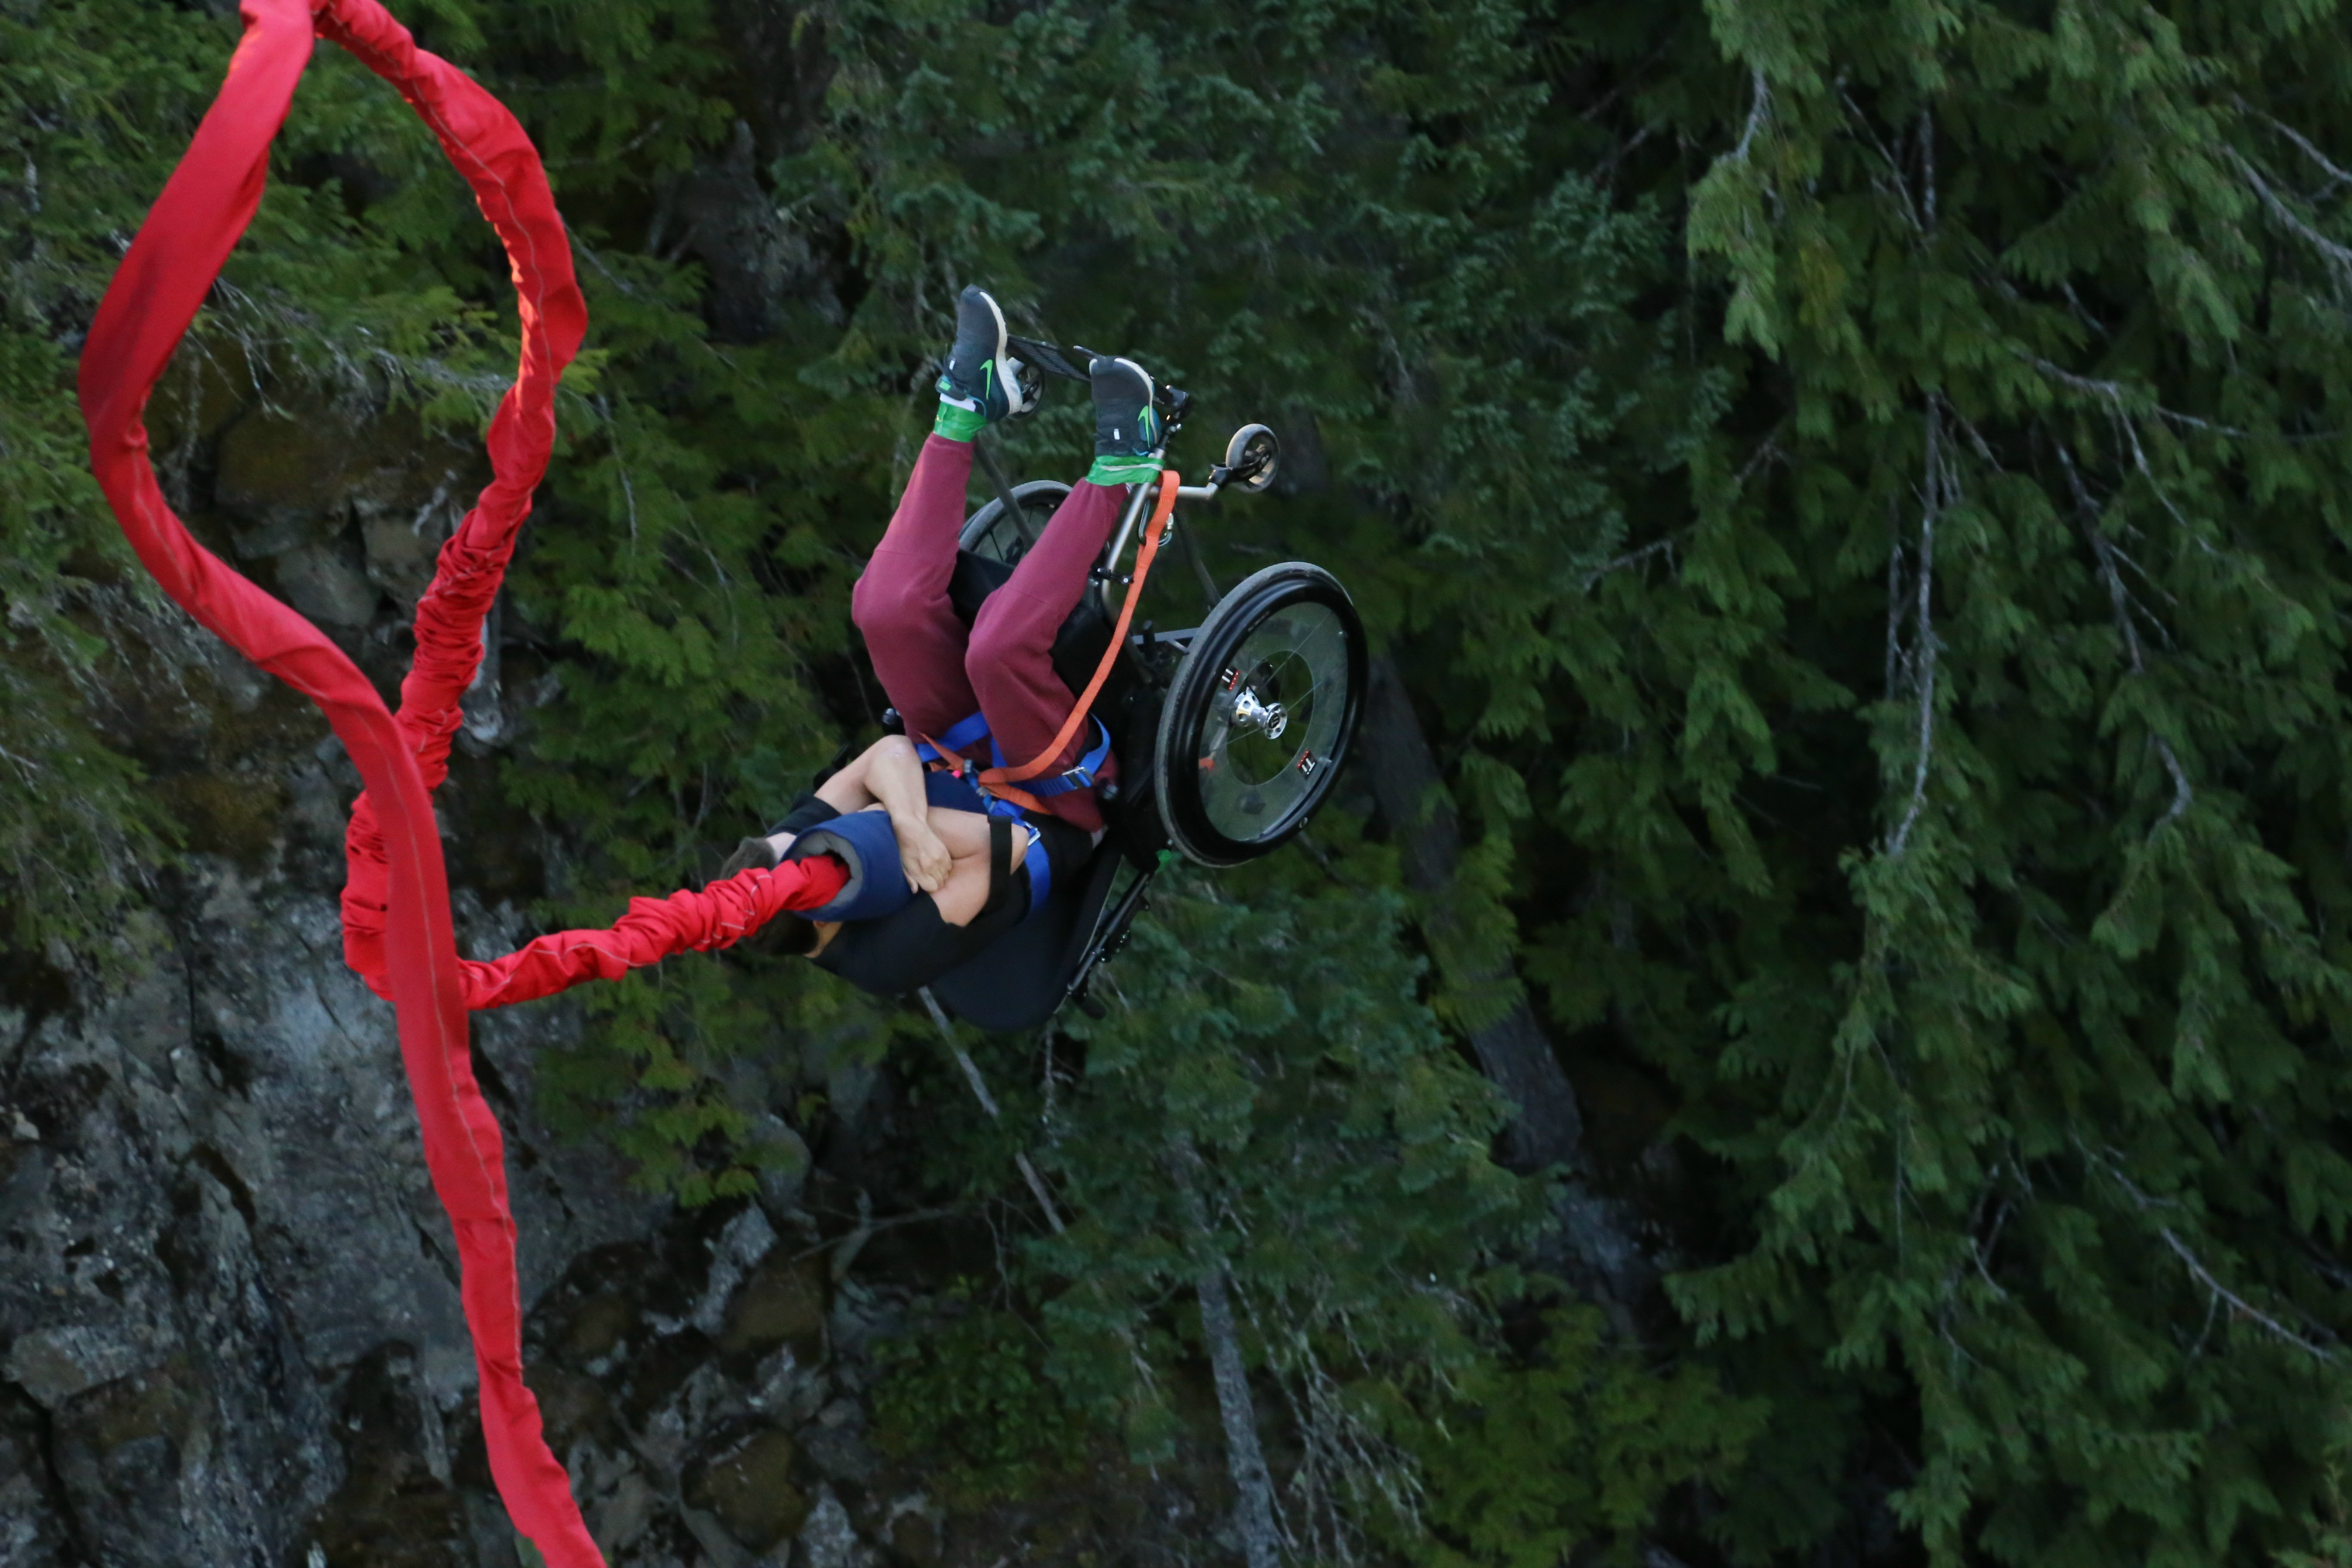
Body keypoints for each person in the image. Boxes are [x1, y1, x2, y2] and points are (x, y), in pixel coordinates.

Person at [723, 286, 1164, 995]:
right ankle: (1125, 466)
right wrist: (914, 834)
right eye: (797, 852)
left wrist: (903, 818)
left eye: (789, 844)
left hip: (954, 756)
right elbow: (1012, 847)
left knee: (884, 608)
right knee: (996, 650)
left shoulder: (799, 846)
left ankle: (966, 405)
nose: (800, 839)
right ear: (818, 916)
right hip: (1046, 807)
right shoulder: (887, 957)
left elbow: (887, 752)